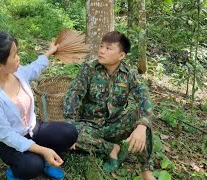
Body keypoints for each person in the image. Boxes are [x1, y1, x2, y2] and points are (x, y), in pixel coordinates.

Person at [0, 28, 78, 180]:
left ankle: (44, 160)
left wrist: (49, 53)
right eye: (14, 56)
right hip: (11, 142)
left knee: (70, 132)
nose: (18, 58)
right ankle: (16, 172)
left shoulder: (15, 73)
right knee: (32, 165)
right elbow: (6, 135)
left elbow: (33, 69)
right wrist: (43, 150)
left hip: (34, 129)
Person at [64, 31, 155, 180]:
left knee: (144, 121)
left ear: (121, 55)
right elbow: (73, 96)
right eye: (101, 46)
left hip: (115, 125)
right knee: (68, 132)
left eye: (108, 48)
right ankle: (112, 148)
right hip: (89, 127)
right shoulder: (89, 69)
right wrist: (68, 125)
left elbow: (145, 99)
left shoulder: (129, 75)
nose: (101, 51)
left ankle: (146, 171)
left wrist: (141, 126)